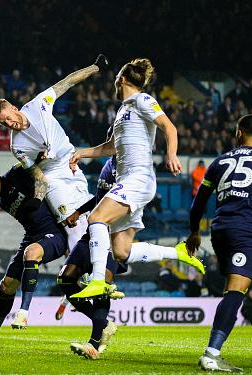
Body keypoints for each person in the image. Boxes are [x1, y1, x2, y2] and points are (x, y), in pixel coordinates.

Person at [59, 154, 202, 360]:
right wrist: (79, 212)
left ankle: (94, 343)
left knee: (102, 288)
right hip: (92, 232)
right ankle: (104, 324)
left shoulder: (135, 169)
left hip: (110, 234)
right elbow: (102, 200)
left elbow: (129, 202)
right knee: (65, 279)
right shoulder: (109, 164)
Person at [187, 114, 252, 372]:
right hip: (244, 230)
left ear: (238, 133)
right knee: (236, 292)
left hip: (219, 229)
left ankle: (213, 351)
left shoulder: (218, 161)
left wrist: (194, 233)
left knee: (231, 289)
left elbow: (198, 203)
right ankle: (211, 354)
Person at [68, 58, 184, 298]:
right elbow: (110, 147)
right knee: (120, 251)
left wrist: (171, 154)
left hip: (138, 178)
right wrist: (83, 153)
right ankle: (178, 253)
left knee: (97, 217)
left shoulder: (142, 99)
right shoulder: (123, 110)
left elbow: (169, 127)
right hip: (128, 181)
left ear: (120, 79)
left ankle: (98, 280)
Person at [0, 54, 109, 255]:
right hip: (52, 177)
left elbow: (68, 82)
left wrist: (95, 67)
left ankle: (103, 266)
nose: (10, 124)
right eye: (4, 123)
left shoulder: (39, 104)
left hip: (71, 164)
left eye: (8, 118)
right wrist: (37, 200)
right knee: (70, 222)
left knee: (91, 218)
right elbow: (39, 176)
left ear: (14, 108)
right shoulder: (17, 146)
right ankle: (81, 277)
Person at [0, 164, 68, 346]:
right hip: (32, 237)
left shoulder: (15, 172)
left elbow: (38, 173)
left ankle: (23, 312)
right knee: (6, 286)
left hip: (54, 234)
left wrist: (38, 197)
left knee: (32, 252)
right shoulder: (3, 202)